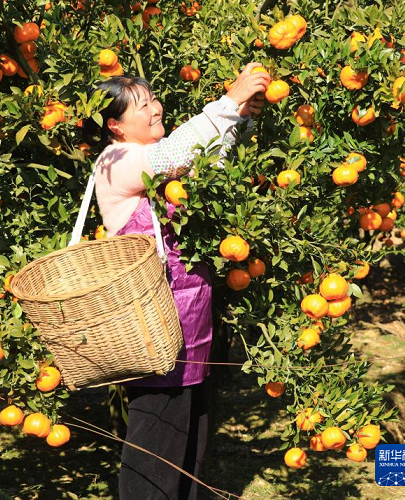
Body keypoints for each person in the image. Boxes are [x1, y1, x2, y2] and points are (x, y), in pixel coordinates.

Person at [83, 63, 270, 500]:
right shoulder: (116, 161)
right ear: (115, 125)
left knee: (190, 445)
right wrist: (228, 101)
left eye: (153, 100)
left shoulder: (158, 156)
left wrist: (239, 116)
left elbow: (205, 162)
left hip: (191, 326)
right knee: (156, 448)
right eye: (142, 106)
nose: (155, 109)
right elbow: (173, 156)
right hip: (152, 331)